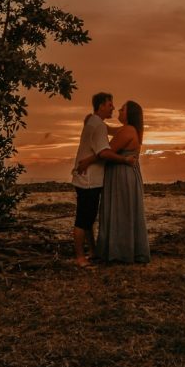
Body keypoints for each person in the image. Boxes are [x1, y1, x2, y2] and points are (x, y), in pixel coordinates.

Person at [78, 101, 149, 264]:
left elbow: (105, 151)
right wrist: (95, 119)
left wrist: (87, 161)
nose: (119, 110)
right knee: (124, 211)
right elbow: (108, 130)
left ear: (129, 114)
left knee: (120, 210)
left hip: (121, 174)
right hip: (124, 174)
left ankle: (119, 252)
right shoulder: (128, 129)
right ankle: (124, 250)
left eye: (123, 109)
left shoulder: (128, 130)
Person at [71, 93, 134, 267]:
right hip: (89, 179)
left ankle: (92, 251)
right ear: (100, 106)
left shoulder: (95, 122)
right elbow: (103, 153)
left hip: (86, 177)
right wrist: (125, 160)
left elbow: (112, 131)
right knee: (83, 220)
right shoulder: (97, 125)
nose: (113, 107)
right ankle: (80, 257)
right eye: (109, 104)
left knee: (88, 218)